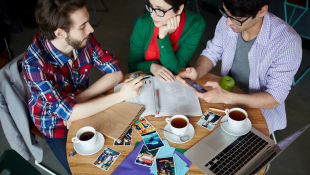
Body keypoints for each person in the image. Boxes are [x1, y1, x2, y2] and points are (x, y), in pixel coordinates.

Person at [22, 0, 144, 174]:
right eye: (83, 25)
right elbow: (67, 114)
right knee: (84, 170)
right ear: (60, 33)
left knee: (126, 150)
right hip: (54, 123)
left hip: (81, 103)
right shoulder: (33, 65)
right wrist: (119, 95)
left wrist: (78, 100)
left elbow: (115, 73)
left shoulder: (82, 38)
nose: (91, 29)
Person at [176, 0, 302, 134]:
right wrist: (197, 72)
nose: (227, 22)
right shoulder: (229, 20)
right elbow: (212, 52)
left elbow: (275, 97)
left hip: (260, 108)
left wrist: (226, 97)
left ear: (262, 11)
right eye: (226, 13)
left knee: (235, 148)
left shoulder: (288, 42)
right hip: (226, 93)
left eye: (237, 19)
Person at [128, 0, 206, 82]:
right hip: (146, 80)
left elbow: (175, 68)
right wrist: (151, 67)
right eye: (151, 6)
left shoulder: (195, 25)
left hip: (174, 79)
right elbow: (132, 66)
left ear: (179, 9)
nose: (152, 14)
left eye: (160, 10)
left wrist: (163, 36)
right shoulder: (143, 23)